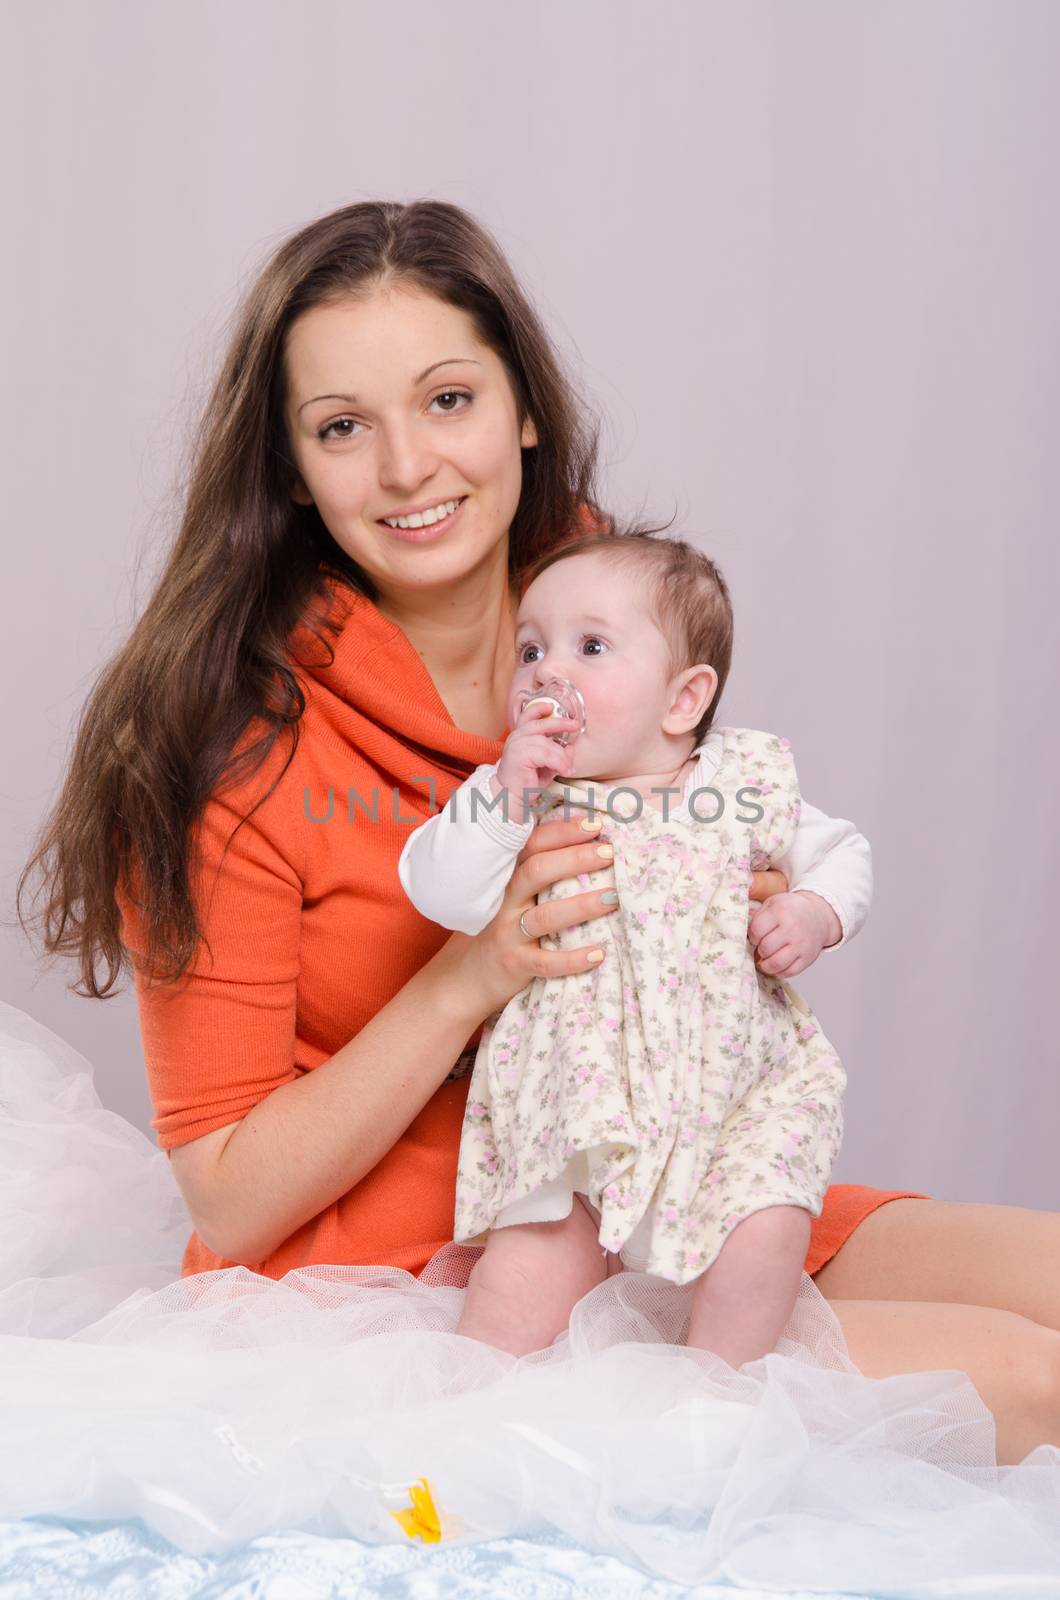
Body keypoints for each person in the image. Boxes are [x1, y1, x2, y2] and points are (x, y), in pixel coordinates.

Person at [16, 199, 1060, 1472]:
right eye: (343, 427)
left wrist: (754, 895)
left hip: (679, 1183)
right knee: (1038, 1384)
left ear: (521, 407)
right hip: (445, 1270)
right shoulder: (224, 750)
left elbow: (732, 830)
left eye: (447, 399)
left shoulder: (611, 613)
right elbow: (229, 1199)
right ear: (292, 470)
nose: (407, 467)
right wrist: (474, 970)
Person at [398, 530, 867, 1366]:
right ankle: (463, 1426)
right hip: (578, 1099)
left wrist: (813, 910)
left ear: (682, 701)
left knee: (765, 1231)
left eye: (590, 647)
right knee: (526, 1278)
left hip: (731, 1099)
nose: (547, 672)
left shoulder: (743, 784)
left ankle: (710, 1412)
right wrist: (504, 798)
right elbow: (439, 890)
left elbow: (844, 854)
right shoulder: (522, 794)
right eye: (532, 648)